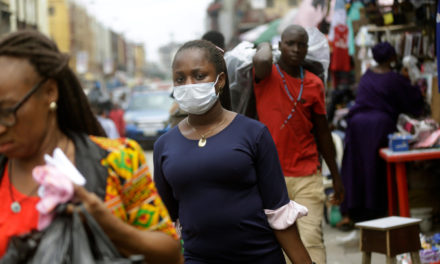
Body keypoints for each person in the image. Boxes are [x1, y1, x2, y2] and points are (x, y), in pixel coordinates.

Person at [0, 30, 182, 264]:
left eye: (7, 111)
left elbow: (171, 254)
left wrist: (109, 226)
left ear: (49, 92)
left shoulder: (118, 161)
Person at [154, 39, 312, 264]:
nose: (189, 84)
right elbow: (167, 224)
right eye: (180, 79)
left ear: (221, 80)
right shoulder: (164, 145)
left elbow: (278, 212)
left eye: (199, 76)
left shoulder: (254, 134)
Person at [252, 24, 344, 264]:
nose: (295, 49)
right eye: (289, 43)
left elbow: (323, 133)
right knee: (279, 245)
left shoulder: (314, 83)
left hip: (306, 175)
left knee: (311, 239)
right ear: (279, 45)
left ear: (307, 48)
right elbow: (261, 59)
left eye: (301, 44)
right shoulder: (264, 74)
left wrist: (336, 176)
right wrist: (264, 45)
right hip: (270, 178)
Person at [338, 42, 424, 227]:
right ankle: (376, 209)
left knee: (356, 167)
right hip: (379, 126)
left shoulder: (368, 75)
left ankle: (353, 210)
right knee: (375, 168)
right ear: (392, 58)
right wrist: (417, 86)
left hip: (357, 125)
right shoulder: (394, 78)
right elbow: (413, 101)